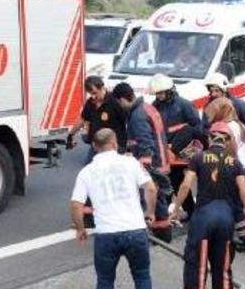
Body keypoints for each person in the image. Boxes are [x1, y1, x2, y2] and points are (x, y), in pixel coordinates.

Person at [69, 128, 158, 289]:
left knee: (105, 280)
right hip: (134, 230)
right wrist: (150, 213)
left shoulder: (87, 172)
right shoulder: (130, 163)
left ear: (94, 147)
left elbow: (75, 204)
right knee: (142, 276)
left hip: (106, 234)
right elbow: (151, 189)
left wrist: (81, 228)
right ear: (115, 143)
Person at [168, 122, 245, 289]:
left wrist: (175, 210)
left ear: (209, 139)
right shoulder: (234, 163)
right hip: (226, 218)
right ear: (227, 141)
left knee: (196, 261)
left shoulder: (198, 157)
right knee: (222, 260)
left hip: (203, 218)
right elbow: (244, 192)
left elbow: (185, 186)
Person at [112, 82, 173, 242]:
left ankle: (161, 236)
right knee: (159, 200)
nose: (119, 107)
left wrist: (143, 169)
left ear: (123, 99)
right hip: (161, 160)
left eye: (118, 103)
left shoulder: (137, 116)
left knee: (152, 200)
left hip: (152, 165)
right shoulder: (147, 107)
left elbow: (145, 144)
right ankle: (162, 233)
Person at [204, 98, 245, 253]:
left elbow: (224, 150)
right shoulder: (236, 123)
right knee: (236, 201)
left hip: (230, 168)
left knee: (234, 205)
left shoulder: (222, 128)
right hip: (241, 165)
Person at [150, 73, 203, 221]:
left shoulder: (184, 105)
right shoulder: (155, 106)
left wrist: (183, 145)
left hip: (179, 153)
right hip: (163, 152)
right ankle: (189, 212)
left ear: (169, 90)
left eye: (161, 93)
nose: (159, 96)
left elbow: (196, 128)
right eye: (157, 93)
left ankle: (169, 215)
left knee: (174, 182)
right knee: (172, 182)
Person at [67, 76, 128, 164]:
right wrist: (71, 134)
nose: (93, 96)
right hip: (97, 144)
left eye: (95, 93)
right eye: (90, 94)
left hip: (114, 145)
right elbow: (82, 119)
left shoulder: (115, 102)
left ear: (102, 88)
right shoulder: (90, 103)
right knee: (89, 170)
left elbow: (127, 122)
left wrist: (128, 147)